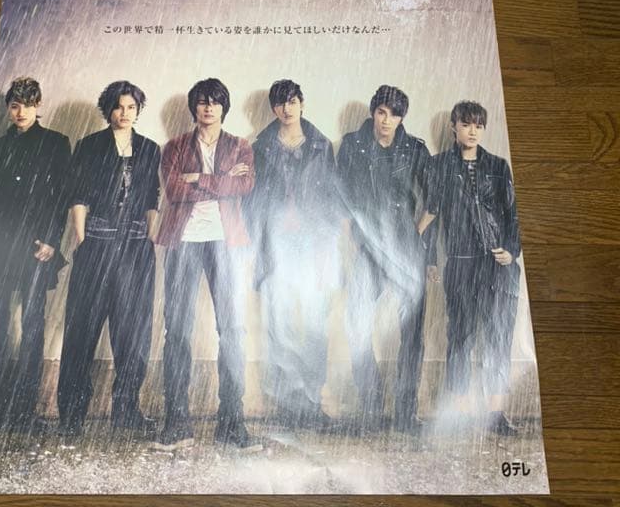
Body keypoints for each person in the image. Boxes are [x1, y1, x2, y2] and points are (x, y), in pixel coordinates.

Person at [153, 78, 260, 451]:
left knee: (232, 330)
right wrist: (221, 181)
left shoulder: (240, 146)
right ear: (194, 108)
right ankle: (176, 422)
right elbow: (173, 190)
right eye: (202, 101)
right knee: (177, 331)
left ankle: (231, 422)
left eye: (215, 101)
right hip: (182, 241)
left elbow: (244, 187)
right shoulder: (174, 146)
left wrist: (198, 178)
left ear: (223, 107)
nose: (208, 107)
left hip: (226, 243)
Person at [0, 77, 71, 438]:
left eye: (27, 104)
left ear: (38, 105)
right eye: (14, 105)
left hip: (35, 247)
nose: (21, 111)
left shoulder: (56, 143)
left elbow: (62, 196)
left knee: (32, 324)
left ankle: (26, 409)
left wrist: (53, 240)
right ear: (8, 108)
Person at [57, 81, 160, 438]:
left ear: (138, 110)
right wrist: (83, 241)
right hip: (97, 244)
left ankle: (127, 411)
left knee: (133, 334)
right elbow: (78, 196)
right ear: (108, 110)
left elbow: (151, 199)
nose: (124, 113)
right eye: (118, 106)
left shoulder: (150, 149)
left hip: (135, 248)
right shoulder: (89, 146)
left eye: (131, 107)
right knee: (82, 331)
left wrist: (149, 241)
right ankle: (71, 415)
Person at [337, 85, 434, 433]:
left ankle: (406, 413)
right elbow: (340, 196)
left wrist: (416, 233)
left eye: (394, 115)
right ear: (373, 112)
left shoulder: (415, 149)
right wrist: (351, 242)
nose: (386, 120)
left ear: (401, 118)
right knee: (357, 323)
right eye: (381, 112)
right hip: (368, 248)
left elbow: (435, 197)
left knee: (412, 332)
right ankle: (371, 406)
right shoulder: (353, 145)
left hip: (406, 249)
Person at [245, 79, 340, 430]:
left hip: (313, 245)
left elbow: (331, 200)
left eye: (293, 101)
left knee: (315, 324)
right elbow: (253, 201)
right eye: (280, 103)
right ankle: (286, 405)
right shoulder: (260, 147)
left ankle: (312, 402)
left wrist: (328, 248)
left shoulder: (321, 145)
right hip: (275, 245)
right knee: (279, 325)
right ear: (273, 108)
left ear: (302, 104)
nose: (287, 109)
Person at [424, 101, 521, 436]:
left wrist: (512, 251)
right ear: (453, 127)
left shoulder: (498, 166)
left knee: (498, 339)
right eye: (466, 124)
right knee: (460, 338)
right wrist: (431, 260)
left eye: (478, 125)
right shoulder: (439, 165)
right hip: (462, 263)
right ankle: (462, 411)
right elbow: (432, 215)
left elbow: (513, 215)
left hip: (498, 266)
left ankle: (496, 413)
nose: (473, 131)